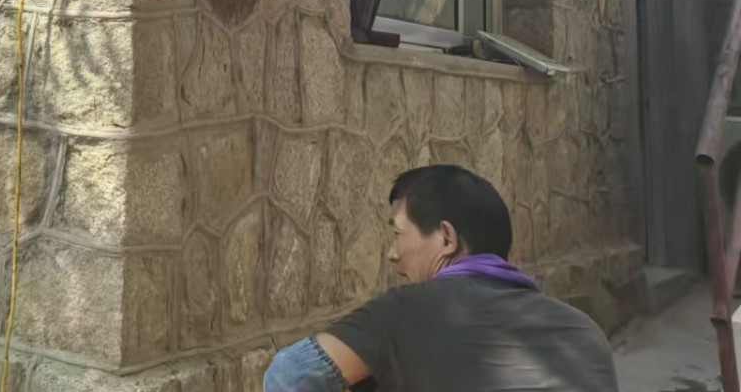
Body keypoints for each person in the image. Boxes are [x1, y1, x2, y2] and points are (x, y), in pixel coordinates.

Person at [264, 164, 618, 391]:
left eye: (398, 233)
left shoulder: (406, 312)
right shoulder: (584, 331)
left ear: (447, 238)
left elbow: (288, 376)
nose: (392, 254)